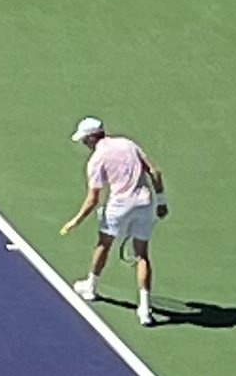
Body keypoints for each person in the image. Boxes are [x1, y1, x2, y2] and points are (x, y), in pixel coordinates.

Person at [61, 115, 164, 325]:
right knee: (142, 254)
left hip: (119, 207)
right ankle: (144, 309)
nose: (83, 143)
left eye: (84, 139)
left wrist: (75, 221)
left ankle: (91, 287)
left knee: (104, 245)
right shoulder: (128, 144)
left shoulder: (96, 160)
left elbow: (93, 199)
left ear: (91, 138)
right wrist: (161, 201)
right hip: (145, 204)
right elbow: (154, 172)